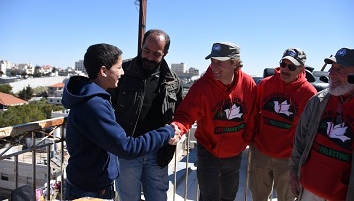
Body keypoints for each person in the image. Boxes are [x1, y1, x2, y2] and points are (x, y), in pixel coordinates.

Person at [61, 43, 179, 200]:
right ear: (103, 71)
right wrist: (168, 131)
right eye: (119, 67)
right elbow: (127, 148)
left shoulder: (95, 98)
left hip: (93, 185)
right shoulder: (94, 104)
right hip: (89, 191)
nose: (123, 73)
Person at [171, 42, 257, 201]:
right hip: (209, 150)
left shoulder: (248, 83)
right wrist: (177, 128)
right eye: (212, 61)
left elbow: (252, 115)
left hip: (234, 151)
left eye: (220, 62)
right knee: (209, 196)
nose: (213, 66)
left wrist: (245, 139)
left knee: (228, 195)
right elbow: (185, 115)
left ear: (235, 63)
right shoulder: (201, 86)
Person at [108, 29, 183, 201]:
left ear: (165, 53)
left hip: (158, 153)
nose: (149, 57)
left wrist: (178, 131)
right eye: (146, 51)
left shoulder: (173, 81)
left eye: (156, 54)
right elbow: (107, 107)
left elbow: (180, 114)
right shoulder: (122, 73)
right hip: (127, 152)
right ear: (141, 47)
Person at [249, 48, 317, 201]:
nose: (285, 69)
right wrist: (251, 139)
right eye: (283, 64)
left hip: (289, 159)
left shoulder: (309, 93)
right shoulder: (265, 84)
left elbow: (310, 129)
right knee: (258, 197)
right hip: (261, 153)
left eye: (291, 67)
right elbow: (253, 113)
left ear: (301, 69)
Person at [289, 47, 354, 201]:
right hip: (308, 191)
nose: (331, 73)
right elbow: (300, 139)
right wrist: (293, 171)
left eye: (340, 69)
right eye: (332, 68)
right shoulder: (318, 101)